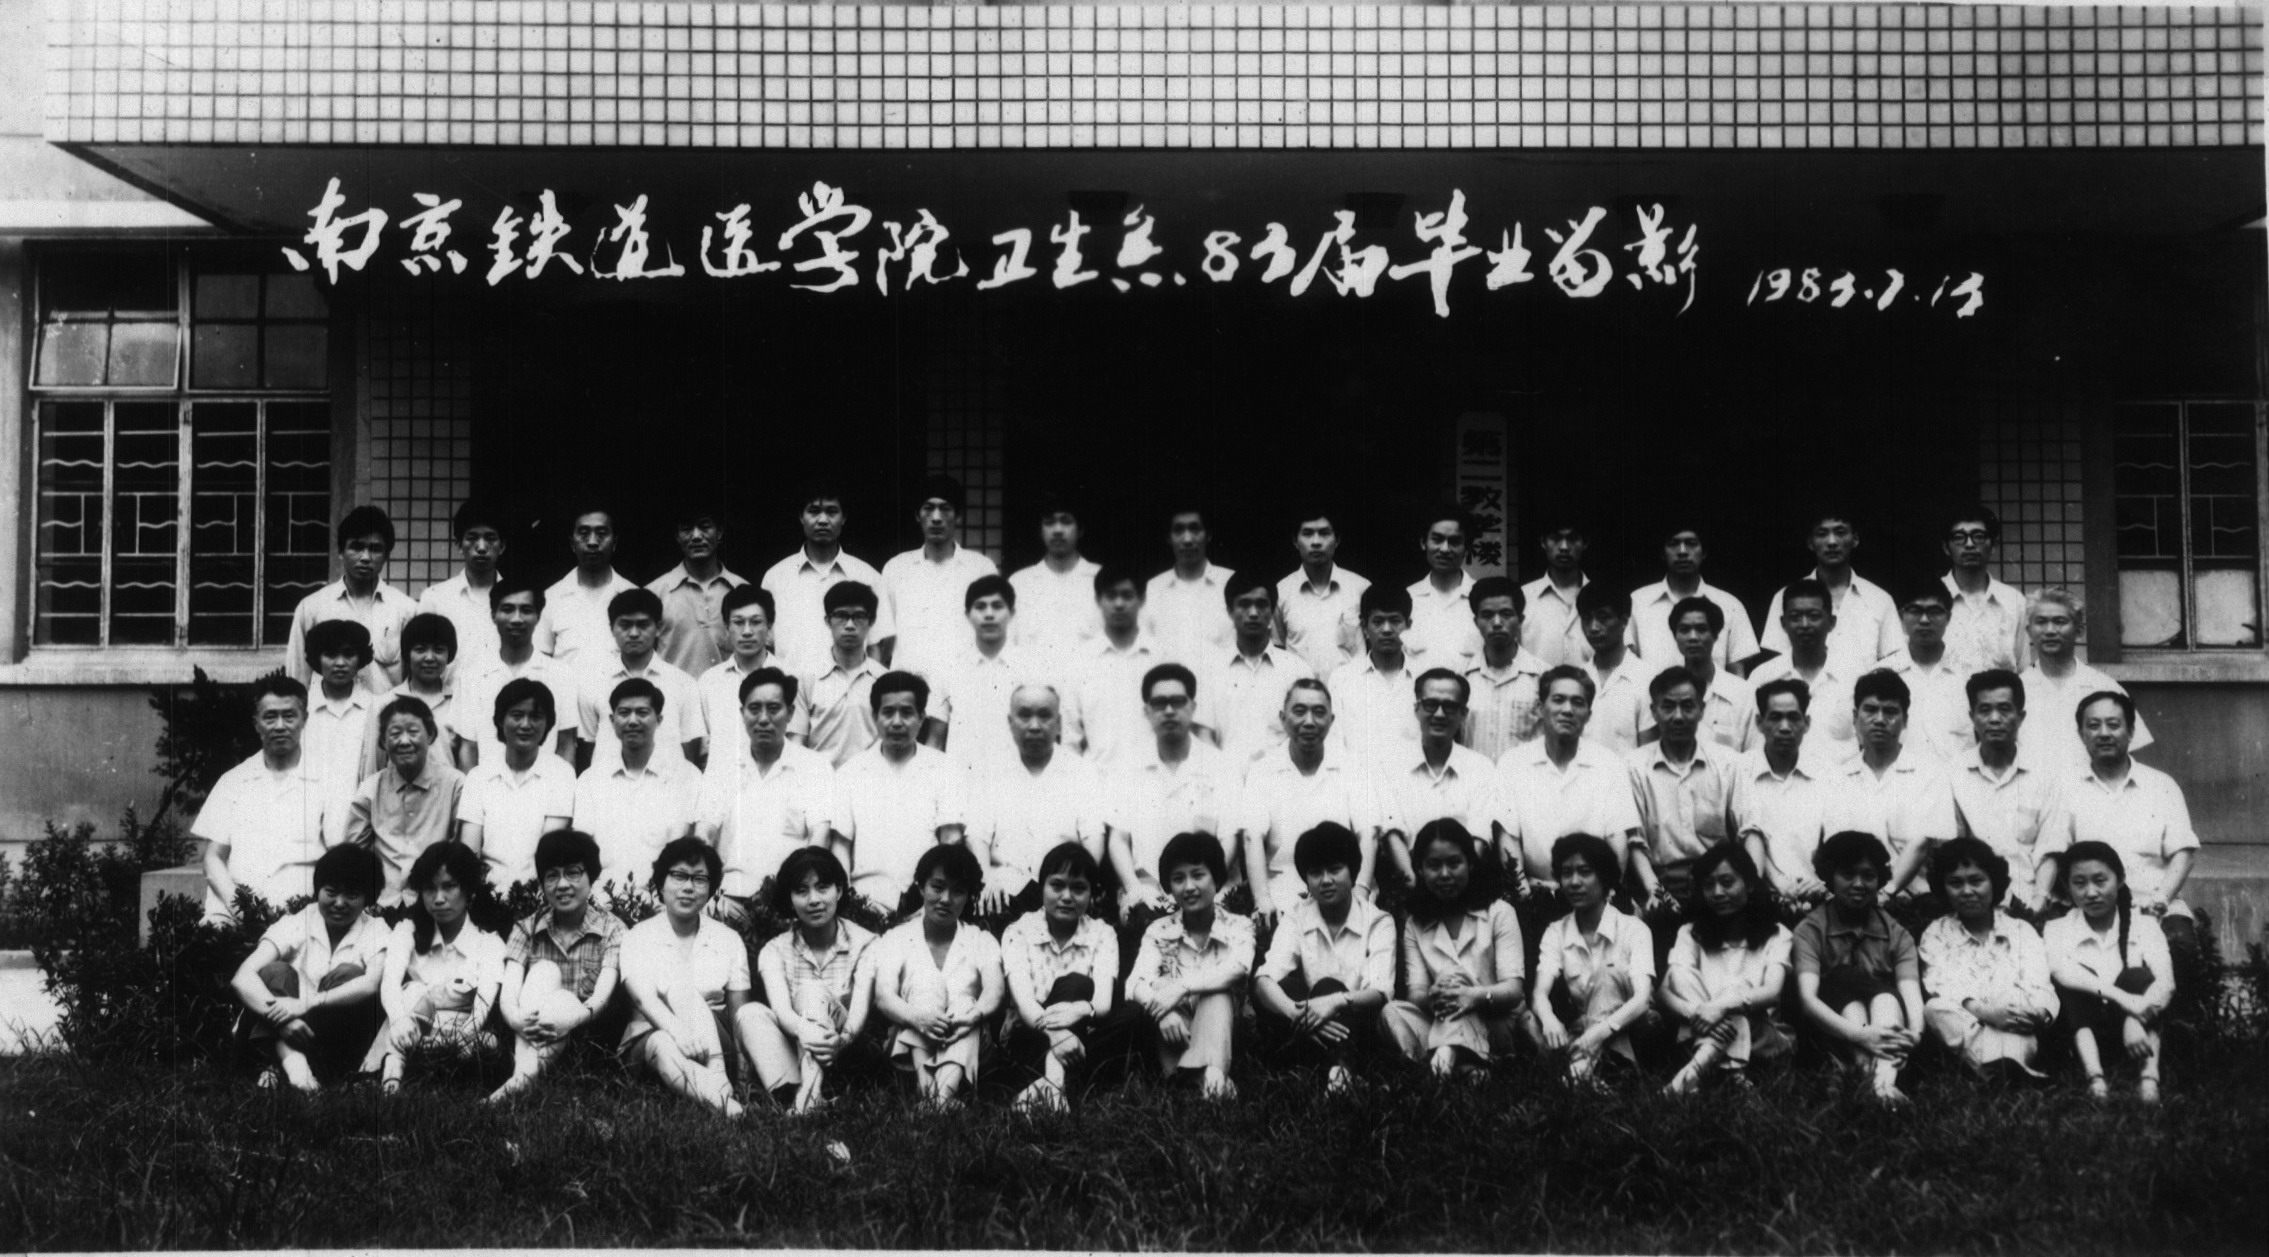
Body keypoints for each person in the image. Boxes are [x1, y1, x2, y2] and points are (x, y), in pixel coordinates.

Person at [2041, 691, 2199, 956]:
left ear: (2131, 731)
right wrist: (2043, 897)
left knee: (2180, 945)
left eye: (2113, 725)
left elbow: (2184, 854)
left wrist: (2159, 901)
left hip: (2154, 905)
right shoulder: (2065, 788)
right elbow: (2053, 852)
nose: (2104, 733)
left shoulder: (2161, 785)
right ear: (2081, 734)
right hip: (2088, 907)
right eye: (2094, 725)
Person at [230, 844, 390, 1091]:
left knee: (349, 975)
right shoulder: (297, 922)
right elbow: (242, 977)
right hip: (279, 1030)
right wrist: (284, 1022)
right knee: (275, 972)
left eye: (352, 895)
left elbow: (371, 983)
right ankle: (296, 1069)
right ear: (318, 890)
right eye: (331, 892)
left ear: (367, 897)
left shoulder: (376, 929)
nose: (339, 903)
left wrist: (309, 1002)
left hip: (333, 1039)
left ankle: (288, 1067)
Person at [1253, 823, 1396, 1094]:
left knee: (1328, 987)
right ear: (1306, 879)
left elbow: (1380, 992)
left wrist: (1333, 1001)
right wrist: (1297, 1013)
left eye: (1335, 869)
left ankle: (1336, 1070)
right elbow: (1264, 979)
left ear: (1353, 872)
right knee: (1285, 988)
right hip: (1310, 1021)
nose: (1326, 880)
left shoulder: (1378, 921)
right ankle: (1339, 1073)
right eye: (1316, 872)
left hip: (1359, 1024)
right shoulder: (1297, 915)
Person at [999, 842, 1142, 1112]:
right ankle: (1057, 1084)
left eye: (1078, 888)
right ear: (1042, 887)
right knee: (1075, 982)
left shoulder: (1102, 933)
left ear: (1091, 893)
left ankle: (1051, 1085)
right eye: (1057, 886)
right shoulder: (1019, 931)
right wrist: (1058, 1034)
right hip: (1032, 1036)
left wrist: (1081, 1009)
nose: (1066, 896)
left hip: (1083, 1034)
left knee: (1134, 1013)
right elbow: (1026, 1005)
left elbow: (1102, 1003)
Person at [1491, 667, 1644, 918]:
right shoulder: (1513, 763)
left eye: (1578, 702)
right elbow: (1508, 837)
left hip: (1595, 899)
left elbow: (1617, 839)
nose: (1567, 710)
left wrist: (1604, 893)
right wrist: (1524, 896)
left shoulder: (1609, 764)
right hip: (1533, 897)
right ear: (1540, 708)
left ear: (1588, 714)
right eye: (1558, 700)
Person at [487, 828, 626, 1104]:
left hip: (587, 1039)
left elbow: (602, 996)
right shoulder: (527, 928)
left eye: (573, 873)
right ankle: (523, 1076)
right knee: (544, 971)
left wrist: (571, 1018)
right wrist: (519, 1021)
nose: (562, 885)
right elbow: (509, 999)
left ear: (591, 877)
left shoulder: (612, 929)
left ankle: (519, 1081)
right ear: (542, 883)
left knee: (563, 999)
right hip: (532, 1033)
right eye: (552, 876)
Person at [618, 837, 755, 1117]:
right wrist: (679, 1033)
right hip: (650, 1036)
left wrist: (744, 1073)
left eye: (699, 879)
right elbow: (644, 999)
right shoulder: (638, 936)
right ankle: (724, 1101)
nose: (688, 887)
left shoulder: (728, 939)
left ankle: (716, 1087)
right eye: (679, 876)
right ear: (661, 883)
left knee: (685, 994)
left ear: (711, 888)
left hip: (715, 1044)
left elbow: (739, 1015)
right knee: (662, 1040)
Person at [1381, 819, 1526, 1079]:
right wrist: (1435, 996)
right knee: (1390, 1011)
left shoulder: (1500, 912)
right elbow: (1416, 993)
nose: (1445, 874)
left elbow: (1513, 991)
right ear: (1420, 869)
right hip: (1441, 1020)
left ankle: (1438, 1069)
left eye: (1454, 863)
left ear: (1470, 863)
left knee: (1454, 977)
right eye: (1434, 865)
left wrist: (1472, 996)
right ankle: (1462, 1066)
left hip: (1495, 1024)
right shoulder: (1415, 923)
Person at [865, 843, 1005, 1108]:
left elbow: (994, 991)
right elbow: (883, 996)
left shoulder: (981, 939)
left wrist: (972, 1016)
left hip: (971, 1047)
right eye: (937, 887)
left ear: (968, 896)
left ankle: (934, 1101)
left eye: (958, 891)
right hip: (909, 1049)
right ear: (921, 887)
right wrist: (918, 1018)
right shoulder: (897, 938)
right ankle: (938, 1097)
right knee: (925, 983)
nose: (946, 899)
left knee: (965, 1004)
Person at [1107, 664, 1240, 938]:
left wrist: (1208, 886)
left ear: (1193, 707)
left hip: (1206, 890)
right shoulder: (1127, 767)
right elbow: (1118, 839)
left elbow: (1229, 838)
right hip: (1147, 891)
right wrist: (1134, 888)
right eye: (1159, 703)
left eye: (1178, 702)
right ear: (1147, 711)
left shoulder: (1220, 765)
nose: (1169, 710)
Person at [1791, 831, 1924, 1104]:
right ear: (1830, 877)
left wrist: (1915, 1035)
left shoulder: (1896, 934)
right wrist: (1863, 1036)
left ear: (1880, 880)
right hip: (1831, 1030)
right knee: (1843, 981)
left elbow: (1911, 996)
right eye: (1848, 875)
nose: (1859, 884)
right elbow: (1807, 1001)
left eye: (1868, 875)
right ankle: (1875, 1080)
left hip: (1885, 1025)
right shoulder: (1810, 929)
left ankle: (1880, 1085)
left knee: (1886, 998)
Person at [696, 667, 836, 923]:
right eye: (754, 709)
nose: (763, 719)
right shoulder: (722, 767)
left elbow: (820, 838)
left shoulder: (814, 766)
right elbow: (704, 834)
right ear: (742, 713)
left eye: (773, 709)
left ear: (790, 713)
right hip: (728, 898)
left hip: (790, 902)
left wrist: (792, 893)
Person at [746, 846, 879, 1114]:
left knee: (811, 990)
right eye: (801, 891)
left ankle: (809, 1096)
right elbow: (782, 1011)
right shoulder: (774, 950)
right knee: (749, 1013)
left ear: (839, 891)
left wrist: (841, 1041)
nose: (814, 900)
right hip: (795, 1047)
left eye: (822, 887)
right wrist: (806, 1032)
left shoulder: (866, 943)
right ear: (790, 899)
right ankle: (797, 1094)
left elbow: (858, 1013)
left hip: (845, 1051)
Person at [1236, 678, 1379, 925]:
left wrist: (1360, 891)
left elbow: (1369, 833)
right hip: (1282, 893)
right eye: (1300, 711)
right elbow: (1252, 837)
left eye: (1319, 712)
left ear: (1331, 720)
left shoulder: (1352, 767)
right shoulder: (1262, 771)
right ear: (1283, 718)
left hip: (1345, 890)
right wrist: (1263, 900)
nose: (1309, 721)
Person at [1126, 831, 1255, 1100]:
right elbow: (1135, 983)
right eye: (1178, 879)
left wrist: (1183, 986)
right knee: (1160, 985)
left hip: (1224, 1029)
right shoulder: (1159, 930)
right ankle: (1211, 1082)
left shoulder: (1239, 926)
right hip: (1174, 1027)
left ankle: (1195, 1080)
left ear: (1216, 879)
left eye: (1198, 875)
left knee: (1217, 992)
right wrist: (1161, 1011)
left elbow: (1239, 967)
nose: (1189, 887)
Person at [1918, 837, 2058, 1083]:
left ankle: (1993, 1071)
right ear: (1943, 888)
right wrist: (1987, 1012)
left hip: (2015, 1018)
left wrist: (2039, 1013)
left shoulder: (2020, 930)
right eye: (1955, 883)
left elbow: (2040, 982)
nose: (1967, 891)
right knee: (1935, 1008)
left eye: (1976, 881)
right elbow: (1941, 984)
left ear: (1994, 882)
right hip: (1970, 1017)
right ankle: (2007, 1070)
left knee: (2014, 999)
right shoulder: (1937, 933)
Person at [1659, 843, 1794, 1095]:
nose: (1718, 892)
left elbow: (1772, 992)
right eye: (1709, 885)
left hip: (1763, 1040)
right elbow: (1665, 992)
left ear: (1749, 884)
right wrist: (1700, 1012)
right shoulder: (1690, 933)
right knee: (1680, 974)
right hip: (1701, 1028)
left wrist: (1721, 1007)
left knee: (1736, 993)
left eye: (1727, 882)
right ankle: (1731, 1075)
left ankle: (1686, 1079)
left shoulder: (1777, 934)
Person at [2045, 842, 2174, 1103]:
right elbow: (2061, 971)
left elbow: (2166, 983)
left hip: (2136, 1033)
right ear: (2068, 887)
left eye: (2100, 880)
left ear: (2120, 880)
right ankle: (2095, 1079)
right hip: (2082, 1033)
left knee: (2138, 977)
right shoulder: (2057, 928)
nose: (2091, 892)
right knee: (2074, 984)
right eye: (2079, 883)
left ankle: (2149, 1079)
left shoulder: (2145, 925)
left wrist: (2134, 1018)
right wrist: (2125, 1000)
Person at [1524, 833, 1659, 1084]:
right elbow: (1540, 993)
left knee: (1606, 975)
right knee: (1535, 1023)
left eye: (1585, 872)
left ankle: (1579, 1074)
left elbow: (1641, 1000)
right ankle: (1605, 1077)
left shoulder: (1634, 929)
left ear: (1604, 877)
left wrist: (1597, 1034)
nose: (1574, 882)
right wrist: (1549, 1018)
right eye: (1566, 873)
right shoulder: (1556, 932)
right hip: (1585, 1027)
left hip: (1637, 1028)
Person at [372, 841, 505, 1093]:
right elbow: (390, 984)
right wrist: (399, 1021)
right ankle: (391, 1083)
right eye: (430, 888)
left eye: (449, 886)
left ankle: (442, 1076)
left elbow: (482, 1009)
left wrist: (456, 1040)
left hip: (463, 1036)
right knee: (411, 993)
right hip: (411, 1030)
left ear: (468, 890)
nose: (439, 898)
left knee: (489, 1043)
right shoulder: (407, 931)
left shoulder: (489, 944)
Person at [831, 671, 970, 910]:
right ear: (875, 716)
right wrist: (846, 903)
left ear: (922, 717)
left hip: (926, 902)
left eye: (906, 712)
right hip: (864, 900)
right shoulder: (849, 773)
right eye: (888, 712)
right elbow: (841, 847)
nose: (897, 722)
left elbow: (950, 841)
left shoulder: (944, 768)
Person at [195, 675, 330, 922]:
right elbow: (213, 857)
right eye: (270, 717)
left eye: (289, 716)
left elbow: (339, 856)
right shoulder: (233, 782)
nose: (280, 726)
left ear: (305, 719)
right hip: (234, 915)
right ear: (256, 723)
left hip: (306, 915)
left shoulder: (328, 781)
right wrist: (243, 910)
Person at [969, 684, 1105, 924]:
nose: (1034, 725)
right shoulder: (990, 772)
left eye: (1044, 715)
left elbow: (1093, 838)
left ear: (1059, 723)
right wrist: (987, 880)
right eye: (1024, 715)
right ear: (1010, 722)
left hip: (1064, 890)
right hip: (1004, 893)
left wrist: (1081, 882)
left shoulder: (1082, 772)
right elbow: (977, 837)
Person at [1824, 669, 1957, 899]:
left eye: (1890, 711)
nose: (1879, 720)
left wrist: (1886, 894)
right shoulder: (1838, 778)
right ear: (1855, 717)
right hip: (1852, 902)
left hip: (1914, 902)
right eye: (1870, 710)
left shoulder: (1930, 774)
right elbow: (1837, 848)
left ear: (1905, 720)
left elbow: (1921, 845)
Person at [1626, 666, 1739, 918]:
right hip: (1658, 885)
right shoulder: (1634, 767)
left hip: (1718, 888)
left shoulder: (1727, 763)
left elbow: (1745, 831)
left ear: (1701, 710)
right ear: (1654, 711)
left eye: (1687, 706)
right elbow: (1634, 842)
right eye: (1668, 707)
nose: (1678, 716)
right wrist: (1656, 893)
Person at [1949, 670, 2064, 914]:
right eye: (1984, 710)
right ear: (1972, 717)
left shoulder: (2046, 775)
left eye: (2004, 709)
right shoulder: (1954, 774)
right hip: (1975, 904)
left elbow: (2050, 850)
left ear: (2020, 717)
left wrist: (2037, 904)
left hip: (2034, 901)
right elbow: (1953, 850)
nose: (1994, 719)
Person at [570, 678, 700, 891]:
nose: (632, 721)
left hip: (665, 898)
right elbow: (581, 851)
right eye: (624, 713)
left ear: (659, 719)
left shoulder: (687, 777)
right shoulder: (591, 781)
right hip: (603, 897)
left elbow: (692, 853)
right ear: (612, 720)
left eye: (642, 712)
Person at [1376, 668, 1497, 892]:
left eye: (1449, 706)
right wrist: (1415, 886)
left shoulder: (1482, 768)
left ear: (1463, 713)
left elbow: (1480, 836)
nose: (1440, 714)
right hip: (1409, 889)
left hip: (1466, 888)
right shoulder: (1390, 767)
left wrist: (1459, 886)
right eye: (1431, 704)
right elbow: (1391, 833)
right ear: (1417, 709)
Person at [341, 695, 466, 907]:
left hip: (435, 906)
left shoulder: (455, 785)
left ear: (431, 735)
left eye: (413, 732)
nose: (404, 741)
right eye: (395, 733)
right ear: (383, 742)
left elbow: (463, 855)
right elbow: (353, 856)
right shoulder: (370, 789)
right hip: (381, 907)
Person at [455, 676, 577, 891]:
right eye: (517, 715)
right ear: (500, 720)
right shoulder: (478, 777)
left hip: (540, 893)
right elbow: (469, 854)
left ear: (548, 723)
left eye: (536, 717)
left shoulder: (561, 774)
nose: (525, 725)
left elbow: (550, 851)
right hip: (486, 894)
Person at [762, 480, 893, 678]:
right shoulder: (776, 577)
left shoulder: (867, 576)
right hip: (790, 689)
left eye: (832, 512)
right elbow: (765, 646)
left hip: (849, 690)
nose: (822, 520)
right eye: (814, 511)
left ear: (844, 517)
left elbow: (877, 644)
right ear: (801, 516)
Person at [285, 504, 416, 693]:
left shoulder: (406, 610)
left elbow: (415, 683)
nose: (365, 557)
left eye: (375, 549)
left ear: (386, 555)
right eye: (356, 547)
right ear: (340, 551)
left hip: (386, 711)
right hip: (326, 712)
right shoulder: (311, 608)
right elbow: (297, 680)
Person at [2018, 589, 2155, 768]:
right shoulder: (2016, 690)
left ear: (2079, 630)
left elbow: (2133, 756)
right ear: (2029, 631)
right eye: (2041, 622)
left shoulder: (2104, 687)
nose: (2050, 630)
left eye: (2060, 621)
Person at [455, 572, 580, 768]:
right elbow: (468, 748)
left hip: (544, 784)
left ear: (538, 616)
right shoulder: (472, 676)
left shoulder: (561, 675)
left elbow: (566, 745)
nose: (516, 619)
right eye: (507, 609)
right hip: (488, 784)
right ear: (493, 615)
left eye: (526, 610)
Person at [1758, 512, 1904, 678]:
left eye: (1840, 532)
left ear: (1855, 539)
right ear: (1810, 542)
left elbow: (1893, 662)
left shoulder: (1879, 599)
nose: (1832, 542)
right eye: (1822, 534)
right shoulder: (1786, 597)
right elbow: (1775, 663)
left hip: (1864, 693)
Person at [882, 474, 998, 680]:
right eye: (928, 508)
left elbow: (993, 633)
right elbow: (883, 636)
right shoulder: (896, 568)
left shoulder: (981, 568)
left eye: (945, 509)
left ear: (958, 516)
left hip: (965, 683)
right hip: (909, 687)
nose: (936, 517)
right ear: (917, 515)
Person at [576, 588, 705, 770]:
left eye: (643, 625)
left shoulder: (683, 683)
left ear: (658, 628)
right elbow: (587, 746)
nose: (634, 633)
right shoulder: (593, 683)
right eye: (625, 625)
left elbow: (689, 749)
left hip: (667, 783)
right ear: (611, 628)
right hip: (609, 784)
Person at [923, 573, 1038, 776]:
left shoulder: (1032, 668)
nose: (989, 614)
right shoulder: (947, 667)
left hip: (1018, 782)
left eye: (997, 606)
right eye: (980, 606)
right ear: (967, 615)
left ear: (1012, 613)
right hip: (962, 782)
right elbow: (935, 740)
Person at [1196, 571, 1314, 764]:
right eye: (1244, 604)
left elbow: (1307, 733)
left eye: (1261, 604)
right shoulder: (1209, 669)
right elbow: (1203, 733)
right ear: (1230, 611)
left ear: (1272, 610)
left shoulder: (1297, 671)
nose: (1253, 613)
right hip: (1226, 777)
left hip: (1281, 777)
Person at [1059, 565, 1163, 767]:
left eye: (1127, 595)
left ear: (1142, 600)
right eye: (1111, 596)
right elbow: (1070, 738)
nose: (1119, 604)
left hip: (1154, 777)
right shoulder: (1079, 660)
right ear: (1098, 600)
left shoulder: (1161, 656)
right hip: (1097, 778)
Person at [1628, 526, 1759, 672]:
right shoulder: (1638, 602)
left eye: (1691, 543)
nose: (1682, 551)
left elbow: (1736, 672)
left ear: (1704, 552)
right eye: (1673, 544)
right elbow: (1627, 666)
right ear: (1662, 553)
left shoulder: (1729, 605)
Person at [1747, 579, 1857, 751]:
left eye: (1814, 616)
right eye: (1795, 617)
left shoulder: (1855, 674)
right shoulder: (1762, 677)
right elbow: (1753, 743)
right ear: (1783, 623)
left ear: (1832, 622)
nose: (1804, 625)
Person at [1328, 583, 1429, 764]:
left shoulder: (1426, 678)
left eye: (1395, 621)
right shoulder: (1342, 679)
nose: (1387, 629)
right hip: (1359, 779)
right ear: (1364, 627)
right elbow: (1334, 744)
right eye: (1378, 621)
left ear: (1409, 625)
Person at [646, 503, 749, 678]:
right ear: (677, 536)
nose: (696, 536)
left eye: (704, 527)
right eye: (687, 529)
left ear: (719, 532)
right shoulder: (655, 593)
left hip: (728, 693)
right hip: (673, 693)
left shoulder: (742, 591)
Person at [1877, 583, 1975, 763]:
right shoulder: (1881, 676)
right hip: (1900, 778)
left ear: (1948, 617)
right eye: (1915, 611)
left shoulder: (1971, 673)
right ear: (1901, 616)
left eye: (1934, 611)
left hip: (1957, 777)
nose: (1924, 620)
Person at [797, 580, 889, 768]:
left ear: (871, 621)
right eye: (841, 616)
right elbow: (796, 741)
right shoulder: (806, 678)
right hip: (820, 778)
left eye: (859, 616)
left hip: (869, 778)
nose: (849, 625)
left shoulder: (885, 679)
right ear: (827, 620)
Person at [1458, 575, 1550, 761]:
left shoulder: (1544, 677)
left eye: (1506, 614)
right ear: (1476, 622)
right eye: (1487, 615)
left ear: (1520, 619)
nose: (1497, 623)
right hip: (1474, 778)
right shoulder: (1459, 677)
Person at [535, 506, 641, 665]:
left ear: (614, 542)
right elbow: (540, 663)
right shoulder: (551, 598)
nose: (592, 542)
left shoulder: (634, 597)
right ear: (572, 543)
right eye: (584, 533)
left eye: (601, 533)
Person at [697, 584, 799, 748]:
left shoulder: (789, 677)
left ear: (769, 626)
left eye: (756, 622)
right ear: (727, 627)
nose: (747, 632)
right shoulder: (709, 681)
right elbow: (704, 748)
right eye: (738, 622)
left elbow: (795, 742)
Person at [1007, 494, 1104, 667]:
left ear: (1080, 529)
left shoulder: (1101, 579)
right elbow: (1009, 644)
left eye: (1066, 521)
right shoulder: (1020, 582)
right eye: (1049, 522)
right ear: (1040, 530)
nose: (1058, 530)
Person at [417, 499, 507, 674]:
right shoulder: (435, 598)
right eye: (472, 538)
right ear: (459, 545)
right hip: (451, 691)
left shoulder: (516, 598)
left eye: (490, 538)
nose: (481, 547)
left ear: (502, 546)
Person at [1142, 503, 1236, 668]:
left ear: (1208, 535)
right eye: (1178, 530)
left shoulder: (1231, 583)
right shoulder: (1153, 589)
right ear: (1168, 538)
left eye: (1195, 529)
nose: (1187, 539)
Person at [1660, 596, 1758, 754]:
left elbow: (1754, 755)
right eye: (1684, 630)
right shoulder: (1663, 692)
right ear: (1675, 636)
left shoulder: (1745, 694)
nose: (1693, 637)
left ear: (1716, 635)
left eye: (1701, 629)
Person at [1274, 511, 1368, 675]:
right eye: (1307, 533)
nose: (1316, 542)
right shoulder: (1281, 593)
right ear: (1295, 541)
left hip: (1351, 688)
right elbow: (1277, 649)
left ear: (1337, 540)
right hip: (1299, 689)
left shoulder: (1360, 588)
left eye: (1324, 533)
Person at [1940, 506, 2029, 676]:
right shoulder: (1930, 598)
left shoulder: (2014, 601)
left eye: (1979, 537)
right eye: (1959, 538)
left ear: (1993, 546)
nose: (1969, 544)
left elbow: (2023, 668)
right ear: (1946, 547)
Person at [375, 612, 469, 772]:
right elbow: (375, 769)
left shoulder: (460, 704)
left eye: (438, 650)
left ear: (449, 654)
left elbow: (467, 765)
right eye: (420, 650)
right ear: (407, 653)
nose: (429, 658)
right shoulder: (384, 704)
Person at [301, 619, 381, 800]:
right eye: (330, 655)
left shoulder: (375, 708)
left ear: (360, 657)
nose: (340, 663)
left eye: (348, 654)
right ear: (317, 658)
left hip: (360, 810)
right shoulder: (301, 709)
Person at [1576, 583, 1652, 755]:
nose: (1593, 627)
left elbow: (1649, 753)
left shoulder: (1647, 678)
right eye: (1587, 619)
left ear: (1624, 621)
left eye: (1603, 618)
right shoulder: (1577, 678)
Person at [1406, 509, 1484, 662]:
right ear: (1423, 543)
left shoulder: (1484, 599)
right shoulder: (1407, 598)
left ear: (1467, 548)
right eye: (1437, 540)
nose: (1445, 549)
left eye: (1454, 542)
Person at [1520, 520, 1592, 668]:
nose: (1564, 547)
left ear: (1585, 543)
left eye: (1573, 539)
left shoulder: (1603, 596)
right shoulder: (1523, 597)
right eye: (1556, 539)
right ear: (1543, 542)